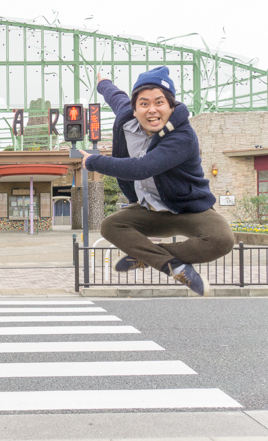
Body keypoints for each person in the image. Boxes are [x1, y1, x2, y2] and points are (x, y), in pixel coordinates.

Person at [79, 66, 235, 296]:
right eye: (144, 104)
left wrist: (94, 162)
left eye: (159, 102)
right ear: (134, 109)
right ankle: (173, 266)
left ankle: (148, 257)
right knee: (110, 226)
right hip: (149, 209)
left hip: (187, 208)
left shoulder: (182, 136)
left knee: (222, 240)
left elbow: (143, 168)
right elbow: (116, 96)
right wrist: (103, 83)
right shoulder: (126, 118)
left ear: (171, 106)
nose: (151, 110)